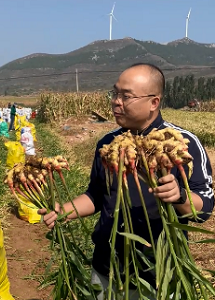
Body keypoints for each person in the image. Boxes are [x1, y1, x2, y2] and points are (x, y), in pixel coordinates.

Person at [38, 63, 214, 300]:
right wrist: (64, 211)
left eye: (126, 96)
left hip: (158, 275)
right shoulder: (108, 145)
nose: (116, 101)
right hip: (106, 269)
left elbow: (204, 208)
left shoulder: (181, 143)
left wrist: (179, 196)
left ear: (154, 102)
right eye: (115, 93)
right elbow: (97, 195)